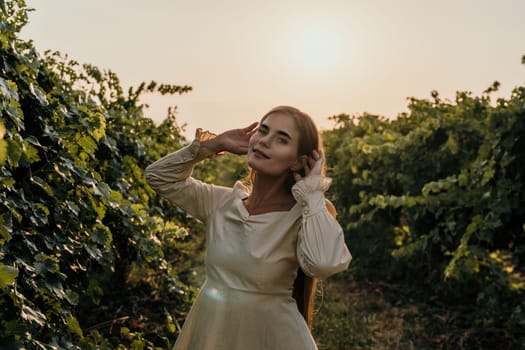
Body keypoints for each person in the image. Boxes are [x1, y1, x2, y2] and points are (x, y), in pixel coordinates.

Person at [145, 106, 352, 350]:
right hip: (211, 331)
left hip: (272, 339)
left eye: (281, 139)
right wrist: (213, 145)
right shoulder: (221, 203)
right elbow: (158, 176)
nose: (264, 141)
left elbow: (324, 263)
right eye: (262, 131)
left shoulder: (306, 214)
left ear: (298, 161)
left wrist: (313, 193)